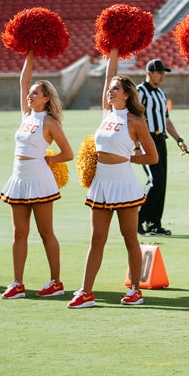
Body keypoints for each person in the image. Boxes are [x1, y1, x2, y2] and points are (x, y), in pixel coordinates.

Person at [68, 48, 158, 309]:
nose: (110, 91)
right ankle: (86, 292)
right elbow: (108, 76)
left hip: (123, 183)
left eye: (116, 89)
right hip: (101, 183)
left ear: (127, 94)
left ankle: (135, 290)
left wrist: (128, 159)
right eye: (110, 89)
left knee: (129, 237)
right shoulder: (107, 113)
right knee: (97, 238)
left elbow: (153, 157)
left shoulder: (135, 121)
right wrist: (113, 50)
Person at [0, 52, 74, 299]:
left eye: (35, 94)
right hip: (18, 178)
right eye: (29, 93)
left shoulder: (49, 122)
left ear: (46, 99)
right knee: (19, 233)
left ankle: (56, 282)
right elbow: (23, 81)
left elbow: (68, 153)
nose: (29, 96)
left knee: (45, 232)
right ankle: (17, 283)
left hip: (40, 179)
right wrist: (30, 51)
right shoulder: (26, 115)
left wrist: (48, 159)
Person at [137, 58, 187, 236]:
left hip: (160, 140)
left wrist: (178, 139)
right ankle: (137, 218)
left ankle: (154, 223)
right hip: (147, 139)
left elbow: (166, 120)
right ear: (149, 73)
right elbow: (134, 119)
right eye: (159, 72)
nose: (162, 76)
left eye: (164, 72)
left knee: (162, 182)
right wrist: (137, 144)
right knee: (154, 180)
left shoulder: (161, 94)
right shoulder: (140, 91)